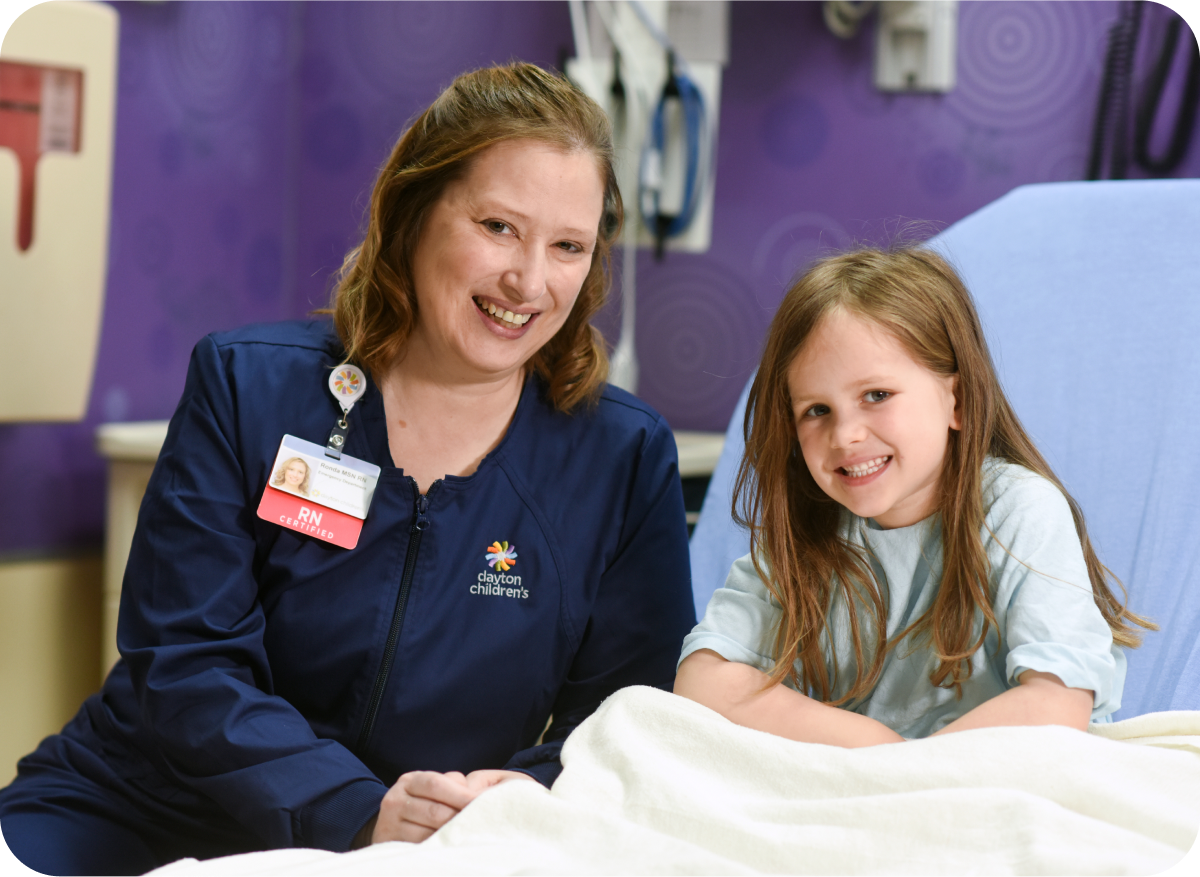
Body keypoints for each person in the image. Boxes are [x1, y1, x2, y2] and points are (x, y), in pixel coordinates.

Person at [0, 63, 695, 876]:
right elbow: (186, 661)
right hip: (145, 802)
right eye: (499, 226)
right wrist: (355, 809)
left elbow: (623, 722)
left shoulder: (621, 457)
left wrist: (506, 800)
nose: (529, 280)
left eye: (568, 246)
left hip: (434, 839)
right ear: (412, 211)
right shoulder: (247, 386)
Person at [674, 246, 1155, 746]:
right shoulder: (805, 529)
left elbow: (1056, 703)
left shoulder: (1020, 510)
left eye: (876, 395)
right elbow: (702, 680)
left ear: (957, 401)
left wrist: (906, 771)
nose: (845, 436)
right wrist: (880, 752)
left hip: (997, 773)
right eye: (816, 410)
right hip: (872, 771)